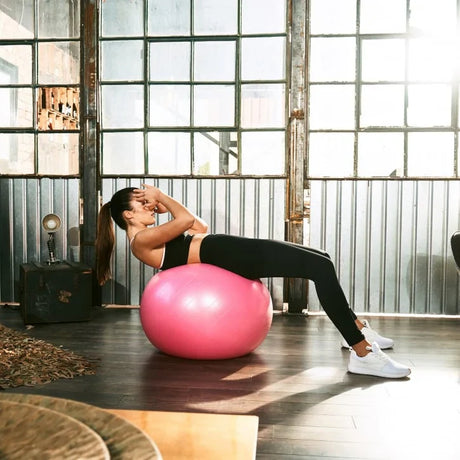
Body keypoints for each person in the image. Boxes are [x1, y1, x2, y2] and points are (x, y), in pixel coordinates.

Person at [96, 184, 411, 379]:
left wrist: (164, 203)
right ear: (128, 215)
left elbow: (199, 226)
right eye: (142, 203)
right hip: (232, 256)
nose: (150, 206)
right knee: (320, 268)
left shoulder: (150, 234)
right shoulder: (141, 241)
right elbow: (187, 221)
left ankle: (355, 329)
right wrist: (162, 196)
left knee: (323, 258)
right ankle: (362, 352)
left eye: (148, 201)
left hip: (229, 249)